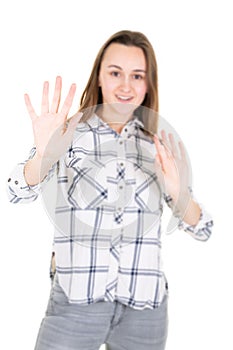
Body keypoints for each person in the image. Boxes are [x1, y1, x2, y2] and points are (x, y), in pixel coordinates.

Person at [7, 30, 213, 350]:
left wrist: (178, 190)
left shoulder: (156, 146)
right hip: (75, 306)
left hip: (145, 312)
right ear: (99, 77)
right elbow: (16, 191)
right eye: (115, 73)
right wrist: (43, 156)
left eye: (137, 75)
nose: (126, 86)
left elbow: (203, 229)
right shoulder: (68, 134)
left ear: (148, 84)